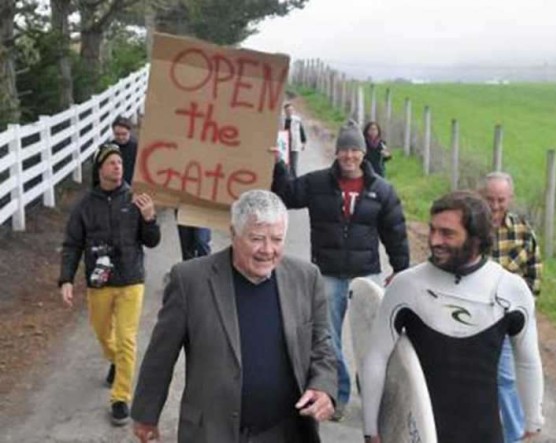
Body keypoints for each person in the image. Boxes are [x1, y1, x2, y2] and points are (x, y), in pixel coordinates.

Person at [131, 190, 337, 443]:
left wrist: (324, 386)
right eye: (257, 238)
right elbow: (160, 355)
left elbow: (322, 344)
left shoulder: (306, 277)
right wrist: (146, 415)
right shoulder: (190, 280)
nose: (267, 250)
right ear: (233, 233)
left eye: (277, 239)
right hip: (213, 431)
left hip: (286, 432)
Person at [361, 191, 544, 443]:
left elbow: (527, 361)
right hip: (416, 431)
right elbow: (376, 356)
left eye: (447, 233)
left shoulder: (509, 289)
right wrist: (371, 428)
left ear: (477, 238)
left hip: (483, 433)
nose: (435, 240)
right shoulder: (407, 285)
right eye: (432, 230)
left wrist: (533, 419)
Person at [271, 119, 410, 420]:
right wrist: (277, 165)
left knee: (373, 342)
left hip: (366, 275)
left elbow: (395, 231)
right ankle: (338, 396)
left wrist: (401, 267)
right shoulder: (317, 183)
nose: (349, 156)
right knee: (328, 341)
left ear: (363, 153)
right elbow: (286, 195)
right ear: (337, 153)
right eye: (344, 150)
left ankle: (374, 397)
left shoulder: (381, 190)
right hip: (328, 274)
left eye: (355, 150)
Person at [58, 143, 161, 426]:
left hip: (131, 279)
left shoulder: (136, 199)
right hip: (99, 283)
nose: (118, 166)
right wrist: (66, 279)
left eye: (120, 162)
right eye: (112, 162)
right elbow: (72, 244)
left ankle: (120, 397)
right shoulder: (84, 206)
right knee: (104, 335)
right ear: (100, 168)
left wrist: (150, 218)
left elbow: (152, 240)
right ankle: (115, 360)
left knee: (127, 339)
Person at [483, 171, 543, 443]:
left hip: (506, 321)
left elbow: (534, 271)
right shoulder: (469, 226)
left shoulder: (522, 230)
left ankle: (514, 436)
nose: (495, 206)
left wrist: (524, 312)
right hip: (473, 318)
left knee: (506, 380)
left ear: (510, 199)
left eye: (501, 200)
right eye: (490, 199)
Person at [110, 116, 138, 186]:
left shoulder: (136, 148)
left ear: (130, 132)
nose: (120, 137)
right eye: (117, 134)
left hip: (131, 186)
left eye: (124, 134)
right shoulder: (108, 149)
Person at [282, 102, 307, 178]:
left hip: (294, 144)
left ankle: (294, 180)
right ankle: (285, 179)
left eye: (290, 110)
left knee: (293, 165)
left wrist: (303, 142)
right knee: (284, 164)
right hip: (284, 144)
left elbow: (301, 131)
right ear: (285, 111)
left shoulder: (297, 120)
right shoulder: (282, 120)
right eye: (287, 110)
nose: (289, 112)